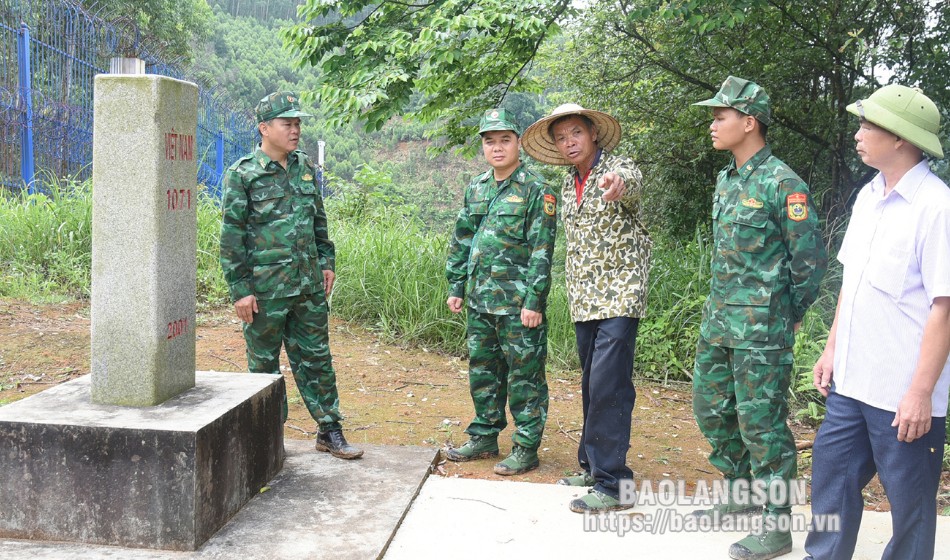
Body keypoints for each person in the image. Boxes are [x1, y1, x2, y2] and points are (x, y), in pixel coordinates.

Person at [804, 85, 950, 560]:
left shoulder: (936, 206)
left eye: (869, 126)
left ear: (902, 139)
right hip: (851, 382)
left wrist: (920, 392)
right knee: (830, 477)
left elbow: (945, 307)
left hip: (901, 393)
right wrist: (831, 350)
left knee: (910, 506)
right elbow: (854, 281)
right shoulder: (868, 195)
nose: (858, 134)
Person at [691, 76, 827, 560]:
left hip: (762, 329)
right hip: (720, 321)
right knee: (711, 408)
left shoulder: (783, 183)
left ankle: (775, 525)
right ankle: (738, 491)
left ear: (749, 123)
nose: (713, 124)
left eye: (720, 116)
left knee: (763, 427)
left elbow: (808, 260)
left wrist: (791, 312)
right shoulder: (727, 179)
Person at [522, 104, 651, 513]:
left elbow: (631, 180)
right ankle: (594, 468)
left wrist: (618, 183)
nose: (569, 142)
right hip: (585, 299)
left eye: (575, 132)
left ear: (593, 133)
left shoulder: (616, 167)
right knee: (592, 384)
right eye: (561, 137)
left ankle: (615, 486)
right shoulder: (567, 181)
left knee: (609, 386)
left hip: (620, 295)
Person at [219, 91, 362, 460]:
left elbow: (319, 220)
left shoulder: (305, 168)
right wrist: (241, 290)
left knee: (317, 358)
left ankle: (330, 429)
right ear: (265, 128)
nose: (295, 130)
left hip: (307, 286)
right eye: (288, 123)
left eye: (298, 123)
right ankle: (265, 437)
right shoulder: (243, 175)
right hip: (265, 291)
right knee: (264, 366)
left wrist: (326, 261)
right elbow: (232, 236)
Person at [444, 108, 557, 476]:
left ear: (518, 143)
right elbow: (462, 239)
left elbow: (543, 249)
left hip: (517, 304)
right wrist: (456, 285)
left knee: (525, 376)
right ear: (483, 146)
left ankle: (526, 445)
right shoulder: (477, 187)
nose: (497, 148)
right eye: (490, 141)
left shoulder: (536, 189)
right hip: (480, 300)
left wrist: (534, 301)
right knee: (483, 371)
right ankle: (485, 435)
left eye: (504, 140)